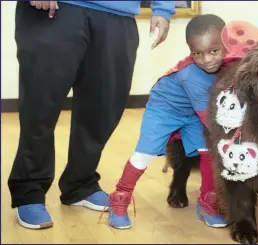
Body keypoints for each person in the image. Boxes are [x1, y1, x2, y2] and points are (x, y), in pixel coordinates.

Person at [8, 1, 176, 230]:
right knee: (40, 107)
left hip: (119, 14)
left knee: (103, 108)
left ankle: (80, 184)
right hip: (56, 9)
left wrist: (163, 7)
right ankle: (29, 190)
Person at [107, 14, 233, 230]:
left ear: (227, 44)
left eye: (214, 51)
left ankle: (207, 203)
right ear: (189, 51)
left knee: (208, 153)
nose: (207, 60)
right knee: (144, 155)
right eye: (197, 53)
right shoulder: (190, 76)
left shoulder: (229, 65)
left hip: (192, 113)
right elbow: (209, 117)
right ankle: (119, 198)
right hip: (164, 110)